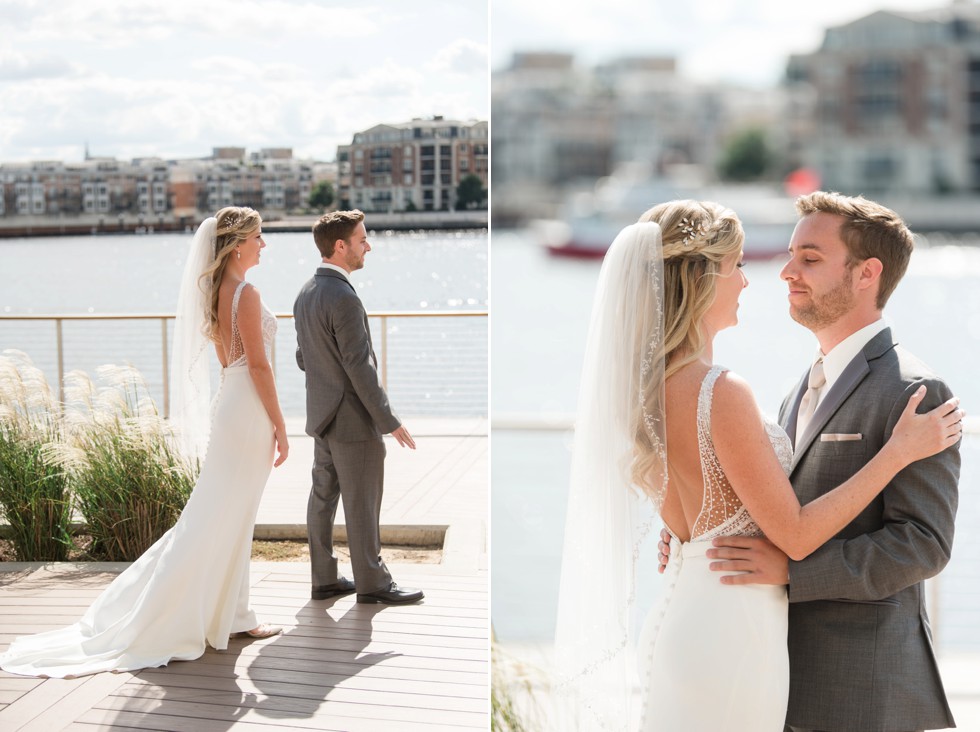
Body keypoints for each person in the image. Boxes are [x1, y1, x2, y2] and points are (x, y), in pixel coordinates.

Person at [553, 199, 962, 731]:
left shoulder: (914, 393)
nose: (781, 272)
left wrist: (783, 569)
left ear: (867, 273)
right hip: (748, 645)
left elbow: (922, 545)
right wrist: (697, 539)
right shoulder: (764, 389)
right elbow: (769, 510)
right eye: (781, 256)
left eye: (809, 259)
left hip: (857, 683)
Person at [0, 206, 289, 679]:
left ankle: (234, 614)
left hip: (231, 402)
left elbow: (226, 359)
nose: (264, 245)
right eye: (259, 237)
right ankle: (202, 614)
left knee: (223, 513)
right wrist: (280, 424)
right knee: (226, 514)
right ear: (238, 244)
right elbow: (259, 366)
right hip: (250, 409)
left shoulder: (218, 292)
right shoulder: (248, 293)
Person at [293, 210, 423, 605]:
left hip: (321, 417)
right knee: (362, 502)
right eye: (362, 239)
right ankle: (373, 583)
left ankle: (325, 579)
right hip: (352, 419)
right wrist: (389, 420)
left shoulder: (305, 292)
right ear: (340, 246)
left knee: (322, 499)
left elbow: (303, 357)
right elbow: (359, 367)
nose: (368, 246)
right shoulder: (344, 296)